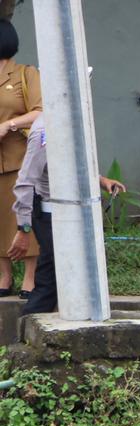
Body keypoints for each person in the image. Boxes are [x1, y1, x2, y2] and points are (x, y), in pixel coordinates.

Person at [8, 115, 125, 318]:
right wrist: (23, 229)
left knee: (61, 273)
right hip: (49, 213)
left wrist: (101, 181)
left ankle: (33, 328)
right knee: (51, 277)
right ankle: (27, 330)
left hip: (69, 213)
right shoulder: (45, 132)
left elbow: (68, 164)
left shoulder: (72, 119)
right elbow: (25, 182)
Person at [0, 21, 41, 299]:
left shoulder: (26, 74)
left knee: (22, 215)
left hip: (19, 158)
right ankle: (4, 277)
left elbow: (41, 111)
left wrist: (9, 124)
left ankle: (30, 279)